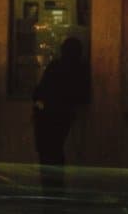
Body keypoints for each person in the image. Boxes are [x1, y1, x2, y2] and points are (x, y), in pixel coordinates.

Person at [31, 31, 91, 188]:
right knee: (56, 152)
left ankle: (50, 188)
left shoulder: (55, 66)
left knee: (47, 153)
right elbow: (83, 96)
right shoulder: (81, 69)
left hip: (47, 115)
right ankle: (57, 187)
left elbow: (39, 92)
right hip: (64, 116)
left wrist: (39, 104)